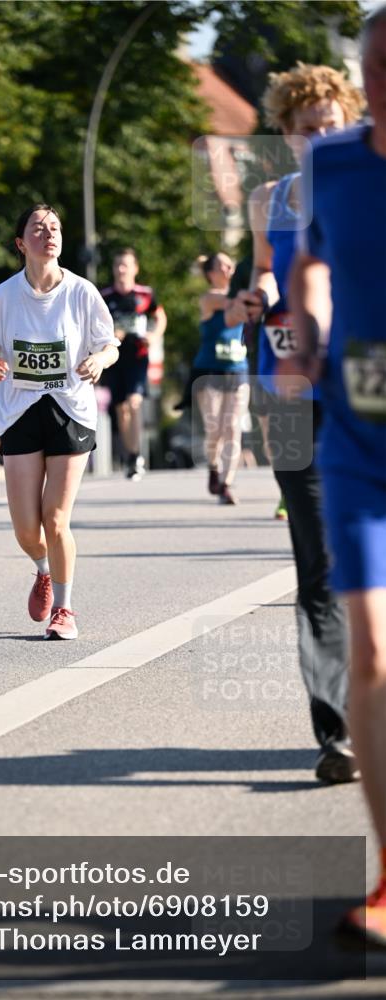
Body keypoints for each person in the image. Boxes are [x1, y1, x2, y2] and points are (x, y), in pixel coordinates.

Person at [286, 6, 386, 945]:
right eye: (378, 63)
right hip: (356, 438)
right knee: (370, 648)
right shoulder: (331, 165)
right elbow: (309, 272)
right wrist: (304, 337)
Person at [243, 63, 365, 786]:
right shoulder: (269, 200)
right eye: (304, 129)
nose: (317, 137)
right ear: (286, 137)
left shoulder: (367, 185)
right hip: (286, 388)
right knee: (315, 564)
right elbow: (264, 268)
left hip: (364, 385)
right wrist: (260, 293)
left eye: (329, 125)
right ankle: (337, 732)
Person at [0, 204, 119, 639]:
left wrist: (99, 361)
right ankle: (42, 569)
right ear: (21, 243)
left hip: (70, 409)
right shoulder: (2, 297)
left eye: (54, 228)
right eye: (38, 228)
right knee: (26, 529)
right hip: (19, 411)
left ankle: (66, 611)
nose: (48, 234)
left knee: (55, 519)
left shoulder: (82, 292)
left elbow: (111, 344)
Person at [100, 249, 166, 480]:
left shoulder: (145, 294)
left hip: (138, 356)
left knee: (134, 402)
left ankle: (136, 455)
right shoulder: (104, 296)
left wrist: (154, 335)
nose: (121, 269)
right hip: (113, 358)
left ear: (135, 268)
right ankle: (131, 454)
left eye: (126, 265)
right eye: (117, 264)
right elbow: (95, 325)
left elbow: (160, 317)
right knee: (121, 409)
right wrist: (111, 333)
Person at [191, 252, 251, 505]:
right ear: (211, 273)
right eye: (223, 265)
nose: (229, 268)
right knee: (214, 427)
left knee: (233, 427)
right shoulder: (209, 299)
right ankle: (214, 467)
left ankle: (226, 483)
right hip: (209, 370)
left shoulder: (241, 296)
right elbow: (229, 302)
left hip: (238, 369)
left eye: (231, 264)